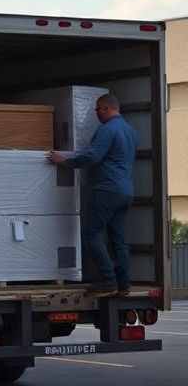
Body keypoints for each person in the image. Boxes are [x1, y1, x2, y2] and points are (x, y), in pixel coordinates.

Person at [47, 94, 138, 296]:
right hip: (125, 191)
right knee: (118, 239)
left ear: (106, 108)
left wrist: (64, 161)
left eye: (97, 109)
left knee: (91, 234)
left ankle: (108, 281)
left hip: (106, 189)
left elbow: (93, 156)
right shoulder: (130, 130)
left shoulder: (107, 130)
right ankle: (124, 284)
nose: (96, 113)